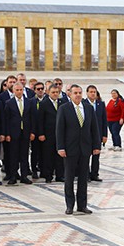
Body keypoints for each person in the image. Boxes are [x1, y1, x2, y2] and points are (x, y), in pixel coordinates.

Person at [56, 84, 101, 215]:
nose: (78, 95)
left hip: (85, 148)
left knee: (83, 178)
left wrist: (96, 146)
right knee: (69, 178)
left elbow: (94, 128)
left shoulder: (88, 108)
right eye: (75, 93)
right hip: (70, 149)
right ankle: (70, 205)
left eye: (80, 92)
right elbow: (59, 129)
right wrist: (60, 147)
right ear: (70, 94)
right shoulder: (64, 109)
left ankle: (82, 205)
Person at [4, 82, 36, 185]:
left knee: (24, 155)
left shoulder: (29, 102)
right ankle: (13, 176)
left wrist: (32, 132)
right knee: (13, 155)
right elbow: (7, 120)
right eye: (17, 90)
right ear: (13, 91)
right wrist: (7, 134)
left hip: (25, 133)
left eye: (21, 90)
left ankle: (24, 176)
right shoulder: (9, 103)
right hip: (14, 133)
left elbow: (32, 118)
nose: (19, 92)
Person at [39, 84, 65, 183]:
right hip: (48, 134)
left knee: (60, 155)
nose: (55, 94)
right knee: (48, 156)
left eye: (57, 92)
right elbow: (40, 120)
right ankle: (48, 175)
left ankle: (60, 175)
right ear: (48, 93)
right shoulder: (44, 104)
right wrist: (41, 133)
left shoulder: (63, 103)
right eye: (53, 92)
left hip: (60, 135)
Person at [84, 85, 107, 182]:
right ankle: (86, 174)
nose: (93, 94)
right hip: (86, 134)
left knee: (96, 155)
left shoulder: (100, 104)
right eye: (91, 92)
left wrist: (105, 135)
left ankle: (94, 174)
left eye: (94, 92)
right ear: (87, 93)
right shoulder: (83, 104)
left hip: (98, 134)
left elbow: (104, 120)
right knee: (86, 155)